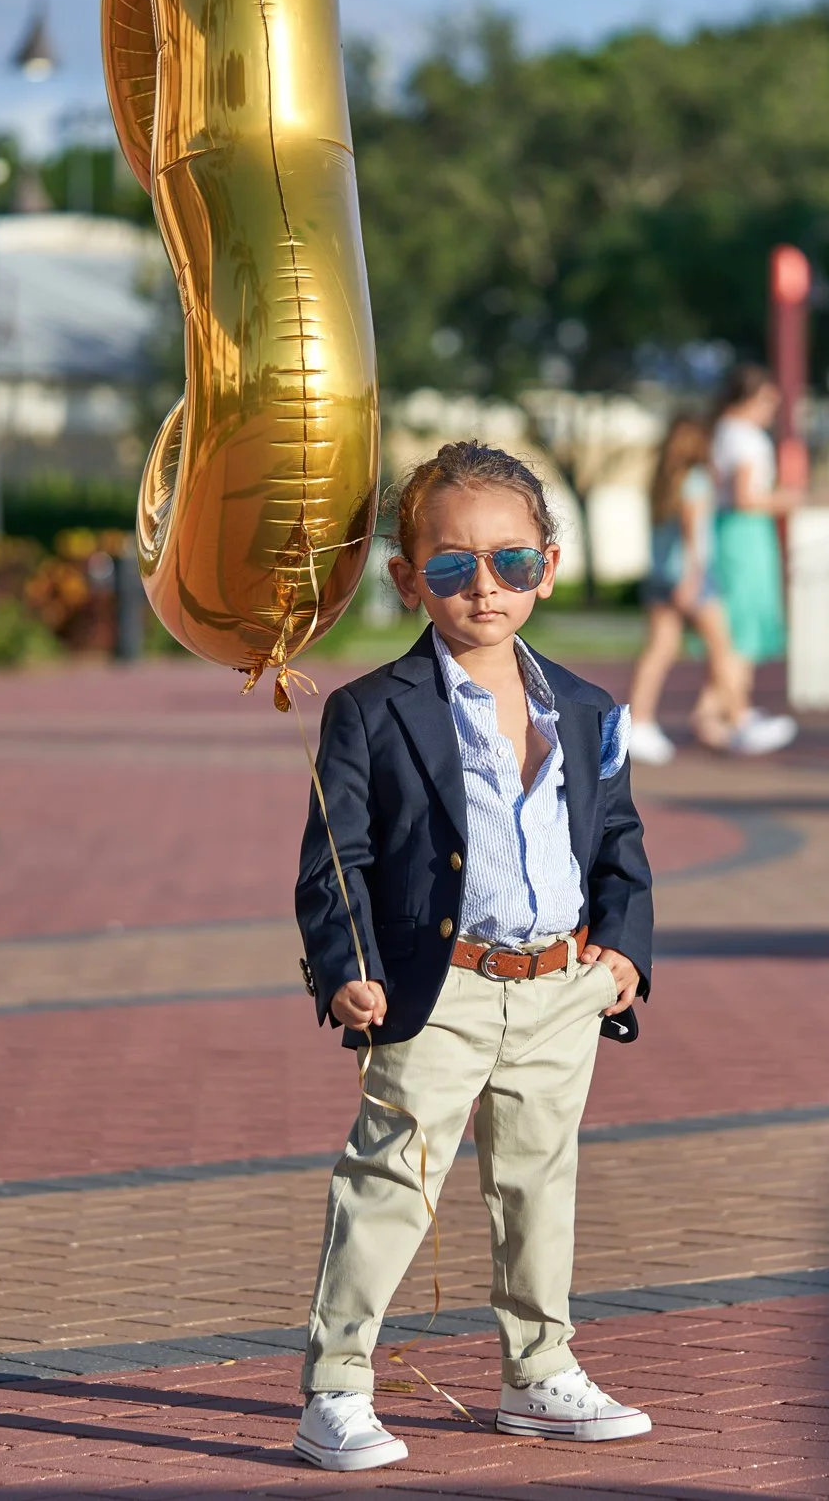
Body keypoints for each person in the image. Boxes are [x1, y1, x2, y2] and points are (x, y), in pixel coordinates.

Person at [291, 440, 655, 1472]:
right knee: (391, 1179)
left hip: (558, 987)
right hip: (435, 989)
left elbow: (616, 838)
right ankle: (336, 1389)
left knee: (539, 1186)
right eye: (452, 568)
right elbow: (335, 861)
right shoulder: (368, 711)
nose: (482, 588)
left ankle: (539, 1373)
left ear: (548, 562)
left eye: (509, 563)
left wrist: (623, 951)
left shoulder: (586, 709)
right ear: (410, 580)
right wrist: (346, 968)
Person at [625, 415, 795, 762]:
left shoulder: (662, 481)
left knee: (659, 651)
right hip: (693, 579)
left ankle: (637, 724)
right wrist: (694, 578)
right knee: (723, 649)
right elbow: (693, 535)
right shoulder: (697, 481)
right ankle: (740, 720)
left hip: (660, 577)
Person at [708, 365, 799, 740]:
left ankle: (715, 713)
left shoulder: (718, 431)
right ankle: (736, 714)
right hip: (746, 534)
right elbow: (747, 497)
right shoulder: (747, 439)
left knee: (730, 624)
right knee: (743, 627)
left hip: (724, 531)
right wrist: (785, 500)